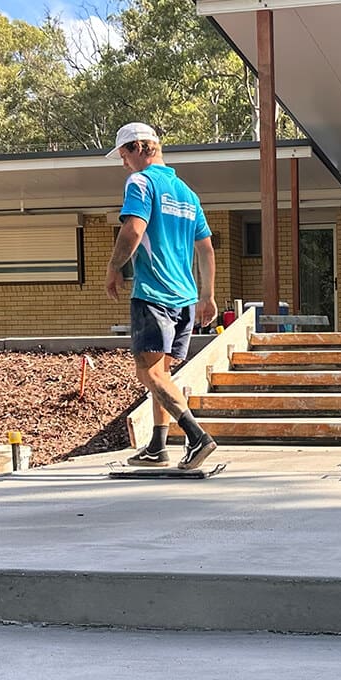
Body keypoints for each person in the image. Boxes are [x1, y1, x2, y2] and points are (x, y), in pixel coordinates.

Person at [104, 122, 218, 470]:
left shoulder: (141, 182)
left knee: (149, 374)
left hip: (154, 292)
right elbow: (207, 249)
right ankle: (157, 445)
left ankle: (198, 437)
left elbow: (133, 229)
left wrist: (114, 268)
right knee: (162, 372)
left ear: (140, 148)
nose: (124, 163)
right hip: (184, 298)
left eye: (124, 155)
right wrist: (208, 296)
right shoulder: (186, 192)